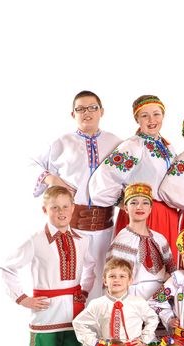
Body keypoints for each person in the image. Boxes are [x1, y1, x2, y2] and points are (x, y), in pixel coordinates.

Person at [1, 185, 96, 346]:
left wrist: (84, 292)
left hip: (73, 317)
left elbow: (90, 268)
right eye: (55, 207)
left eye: (66, 206)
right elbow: (7, 268)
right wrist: (23, 298)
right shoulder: (35, 240)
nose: (61, 212)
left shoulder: (82, 239)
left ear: (73, 208)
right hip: (45, 318)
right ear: (45, 210)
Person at [30, 90, 122, 298]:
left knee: (106, 276)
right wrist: (51, 179)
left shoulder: (116, 143)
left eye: (92, 108)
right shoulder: (61, 143)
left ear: (102, 111)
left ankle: (102, 326)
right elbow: (30, 164)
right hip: (71, 225)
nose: (86, 113)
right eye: (80, 109)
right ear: (73, 114)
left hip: (106, 226)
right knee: (72, 277)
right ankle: (69, 326)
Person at [89, 94, 179, 249]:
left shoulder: (168, 147)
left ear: (163, 116)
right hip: (143, 215)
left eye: (156, 114)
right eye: (145, 115)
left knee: (166, 268)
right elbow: (103, 180)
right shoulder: (133, 146)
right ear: (137, 119)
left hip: (168, 215)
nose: (152, 120)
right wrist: (123, 202)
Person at [72, 257, 159, 346]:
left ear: (130, 280)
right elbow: (78, 323)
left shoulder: (138, 302)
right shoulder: (97, 304)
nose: (117, 280)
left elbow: (152, 318)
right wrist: (95, 343)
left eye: (122, 276)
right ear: (105, 280)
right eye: (112, 276)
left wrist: (143, 339)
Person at [106, 183, 174, 300]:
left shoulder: (160, 239)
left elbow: (172, 272)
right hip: (134, 301)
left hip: (161, 300)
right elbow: (115, 281)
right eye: (134, 202)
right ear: (126, 208)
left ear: (150, 208)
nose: (139, 207)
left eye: (145, 203)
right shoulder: (123, 241)